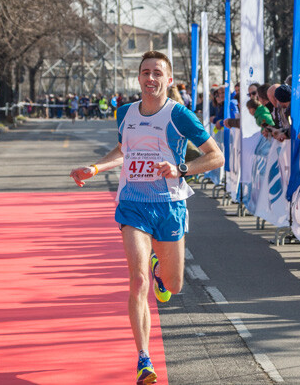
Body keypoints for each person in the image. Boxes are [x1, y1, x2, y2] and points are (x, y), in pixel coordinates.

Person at [70, 51, 224, 385]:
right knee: (137, 281)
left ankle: (160, 273)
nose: (150, 78)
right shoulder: (124, 112)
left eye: (157, 73)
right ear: (138, 77)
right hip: (133, 203)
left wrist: (181, 168)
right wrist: (95, 168)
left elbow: (216, 157)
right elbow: (124, 150)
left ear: (169, 79)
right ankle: (144, 359)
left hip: (169, 205)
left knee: (174, 284)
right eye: (145, 73)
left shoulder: (179, 115)